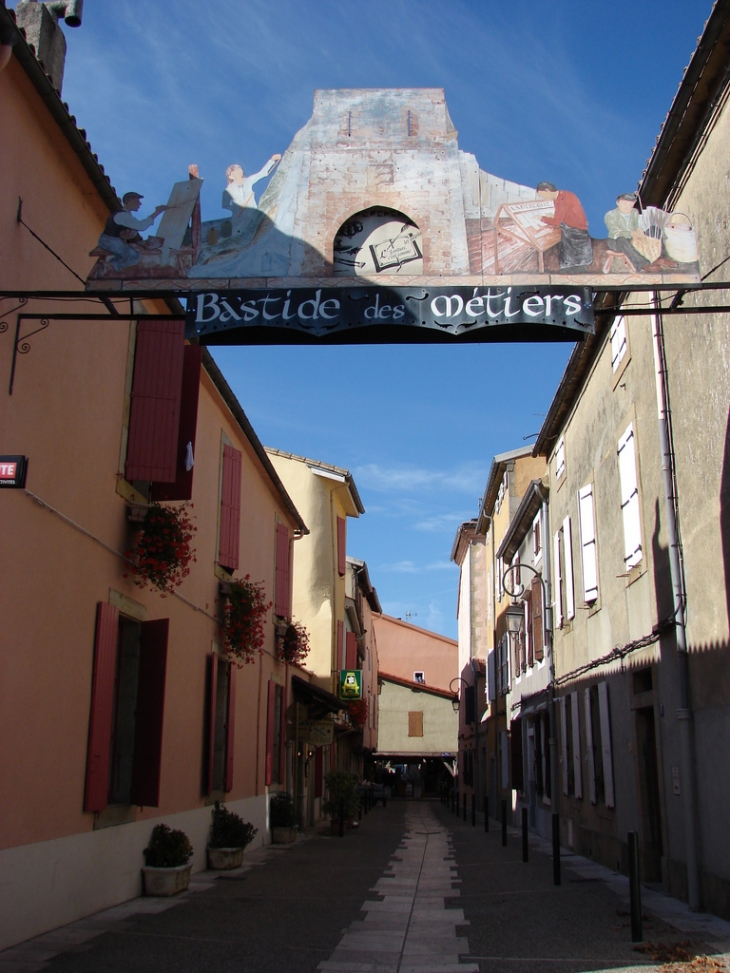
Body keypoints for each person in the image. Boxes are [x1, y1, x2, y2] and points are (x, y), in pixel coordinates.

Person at [97, 192, 167, 271]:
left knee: (129, 253)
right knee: (134, 256)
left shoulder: (125, 215)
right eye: (137, 201)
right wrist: (157, 212)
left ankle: (107, 265)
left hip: (111, 240)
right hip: (109, 241)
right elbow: (141, 226)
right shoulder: (123, 215)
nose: (140, 204)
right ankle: (108, 265)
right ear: (129, 201)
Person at [536, 181, 593, 271]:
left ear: (547, 190)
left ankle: (571, 269)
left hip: (576, 231)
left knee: (573, 261)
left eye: (543, 195)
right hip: (574, 226)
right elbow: (562, 214)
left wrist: (542, 218)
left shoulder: (563, 199)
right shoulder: (562, 195)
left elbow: (556, 222)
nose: (543, 198)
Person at [603, 193, 650, 271]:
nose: (627, 207)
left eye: (630, 205)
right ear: (618, 203)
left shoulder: (634, 212)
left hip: (632, 238)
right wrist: (630, 233)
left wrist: (639, 230)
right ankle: (642, 264)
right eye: (624, 204)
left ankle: (660, 259)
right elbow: (614, 232)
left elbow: (636, 226)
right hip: (616, 241)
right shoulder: (610, 215)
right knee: (621, 240)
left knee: (652, 232)